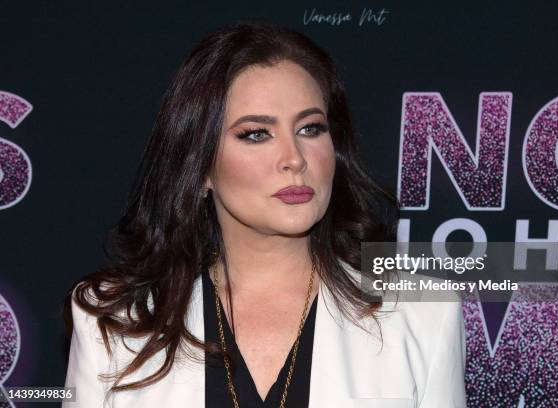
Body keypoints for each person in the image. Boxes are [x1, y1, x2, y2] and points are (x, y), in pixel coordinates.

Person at [62, 21, 466, 408]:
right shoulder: (111, 322)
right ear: (200, 166)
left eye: (310, 128)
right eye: (256, 133)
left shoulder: (423, 315)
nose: (294, 158)